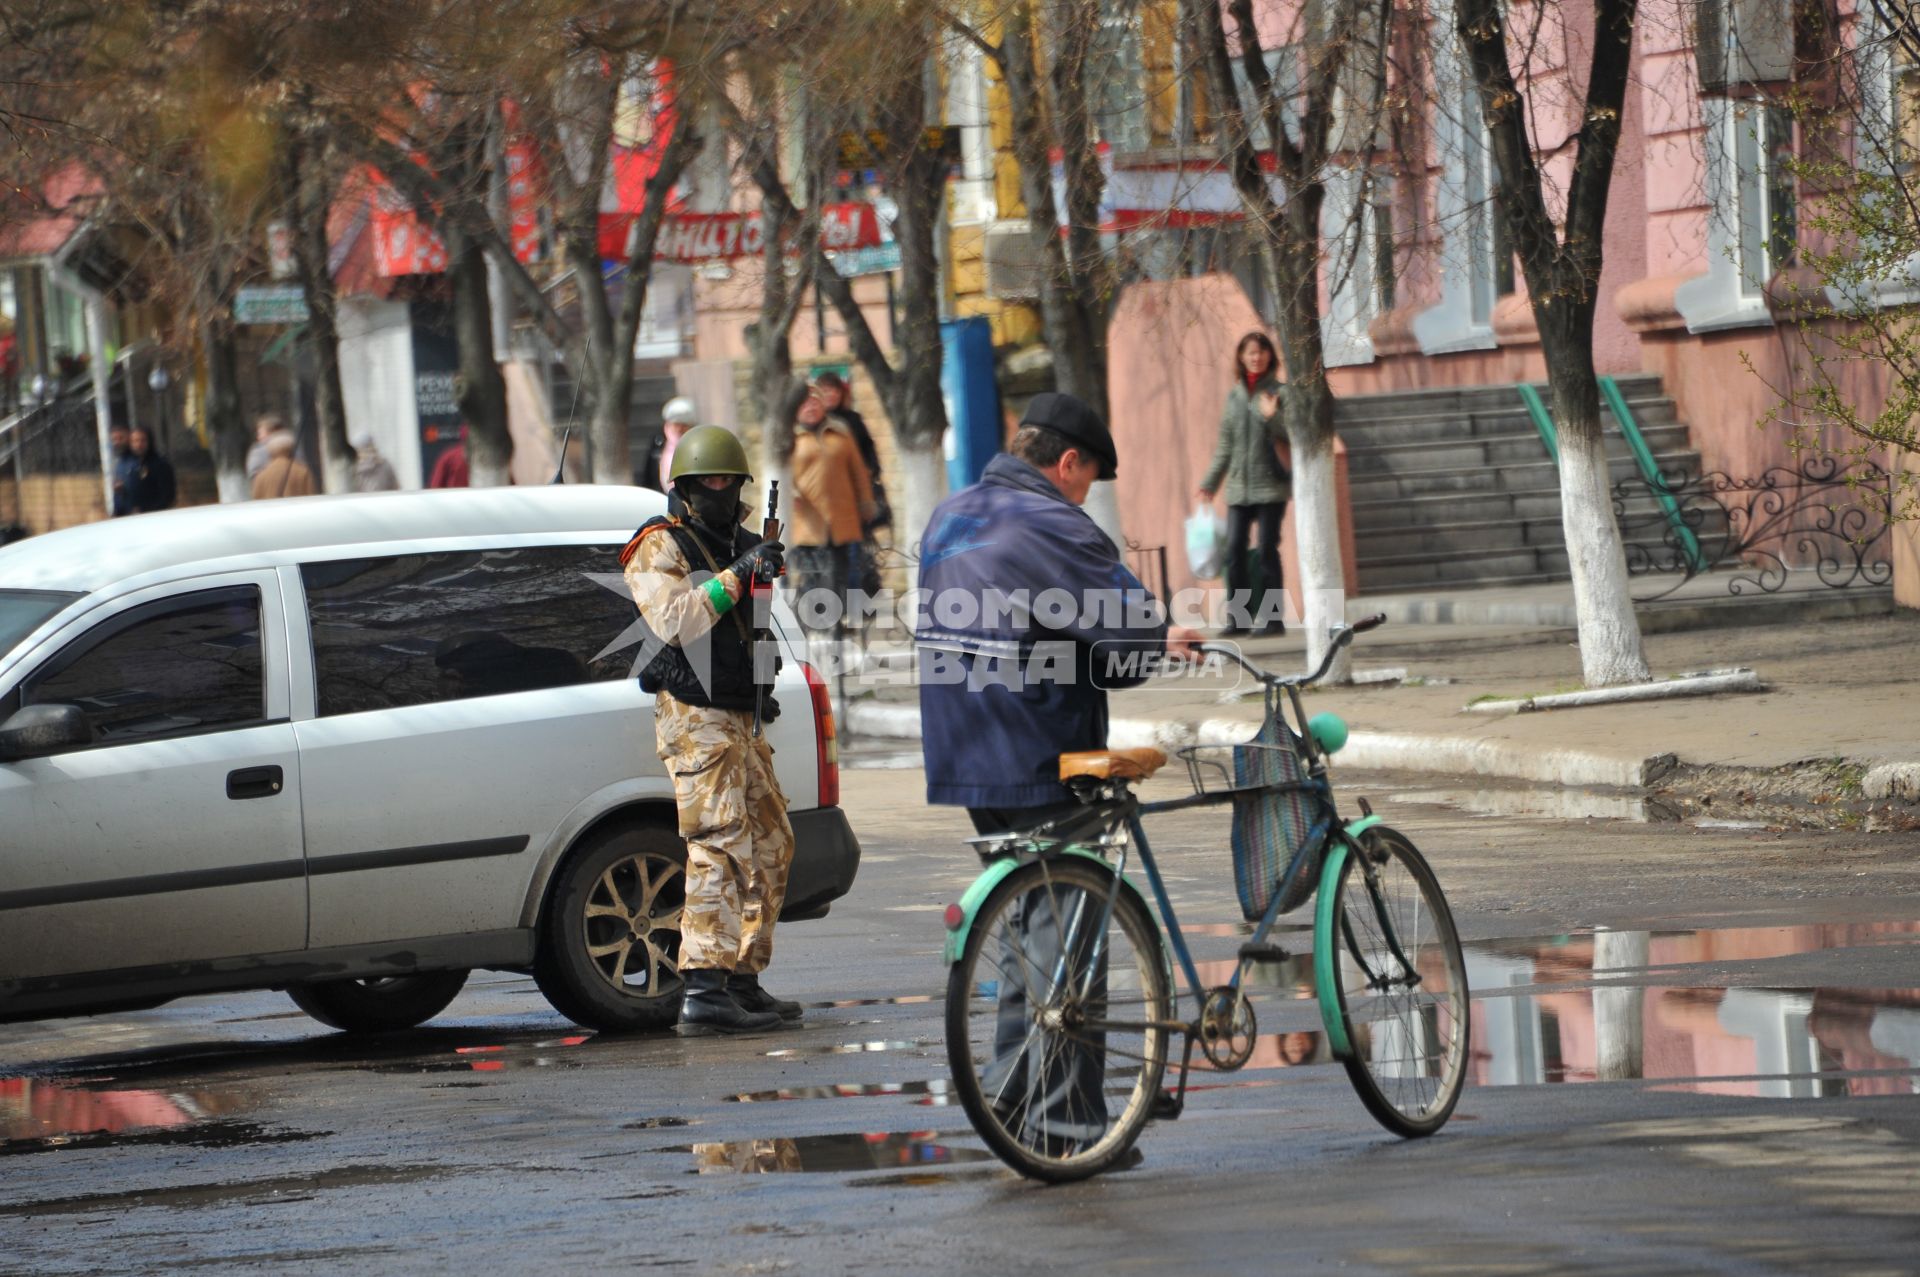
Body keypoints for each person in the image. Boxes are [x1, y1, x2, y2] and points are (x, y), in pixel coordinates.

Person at [915, 391, 1201, 1152]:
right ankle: (1067, 1123)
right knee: (1068, 942)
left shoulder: (952, 514)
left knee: (1026, 935)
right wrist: (1159, 638)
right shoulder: (1051, 520)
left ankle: (1013, 1101)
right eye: (1088, 477)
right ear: (1067, 462)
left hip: (965, 754)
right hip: (1042, 750)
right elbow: (1128, 629)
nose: (1086, 493)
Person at [620, 424, 798, 1037]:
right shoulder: (658, 545)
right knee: (718, 846)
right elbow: (674, 620)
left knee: (773, 844)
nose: (722, 491)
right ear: (687, 487)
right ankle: (703, 988)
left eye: (730, 481)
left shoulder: (742, 543)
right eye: (710, 482)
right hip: (695, 716)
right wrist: (738, 573)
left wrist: (760, 687)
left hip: (739, 711)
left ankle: (742, 979)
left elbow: (756, 629)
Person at [1197, 331, 1291, 636]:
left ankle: (1273, 619)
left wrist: (1271, 417)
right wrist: (1210, 483)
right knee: (1234, 552)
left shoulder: (1279, 392)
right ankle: (1239, 619)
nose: (1256, 357)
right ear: (1241, 357)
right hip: (1238, 489)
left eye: (1262, 352)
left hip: (1270, 488)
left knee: (1266, 550)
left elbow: (1290, 436)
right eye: (1251, 352)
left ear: (1270, 357)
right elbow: (1225, 445)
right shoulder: (1234, 396)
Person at [786, 382, 875, 631]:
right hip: (807, 521)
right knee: (811, 576)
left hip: (840, 517)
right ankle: (807, 622)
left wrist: (866, 502)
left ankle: (833, 623)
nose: (811, 407)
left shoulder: (840, 433)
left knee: (837, 573)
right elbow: (780, 473)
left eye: (815, 401)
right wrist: (790, 492)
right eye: (805, 403)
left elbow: (858, 471)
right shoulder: (790, 438)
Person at [809, 371, 888, 533]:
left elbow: (867, 447)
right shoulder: (813, 424)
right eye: (825, 391)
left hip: (853, 490)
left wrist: (871, 470)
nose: (830, 395)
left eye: (834, 390)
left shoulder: (852, 420)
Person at [642, 397, 699, 494]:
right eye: (676, 424)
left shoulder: (697, 443)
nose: (679, 429)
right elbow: (649, 471)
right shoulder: (658, 441)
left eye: (684, 425)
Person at [124, 427, 177, 514]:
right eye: (135, 441)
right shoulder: (127, 464)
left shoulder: (160, 464)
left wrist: (145, 510)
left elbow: (167, 496)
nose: (139, 444)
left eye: (142, 440)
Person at [251, 430, 316, 500]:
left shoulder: (261, 476)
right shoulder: (302, 471)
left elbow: (256, 501)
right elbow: (311, 496)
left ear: (270, 451)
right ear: (291, 449)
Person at [108, 422, 138, 517]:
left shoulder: (138, 460)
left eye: (121, 438)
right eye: (114, 439)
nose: (117, 442)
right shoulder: (120, 462)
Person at [245, 414, 285, 482]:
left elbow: (254, 477)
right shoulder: (294, 446)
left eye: (260, 433)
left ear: (272, 432)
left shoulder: (258, 452)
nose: (258, 437)